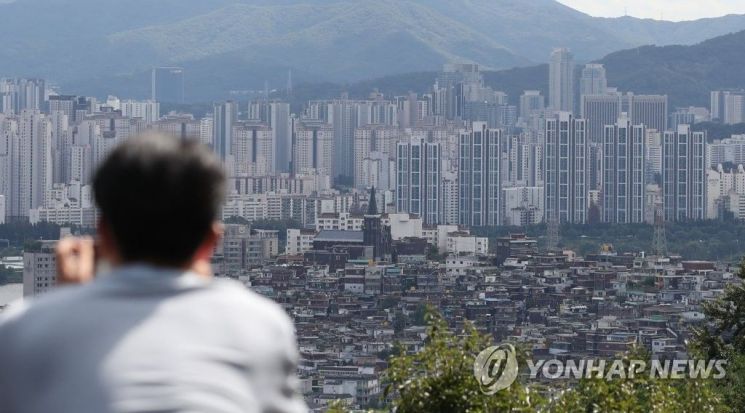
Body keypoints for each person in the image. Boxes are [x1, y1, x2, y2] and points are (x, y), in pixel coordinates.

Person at [0, 134, 307, 413]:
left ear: (103, 234)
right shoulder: (259, 324)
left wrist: (64, 306)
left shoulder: (20, 329)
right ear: (212, 241)